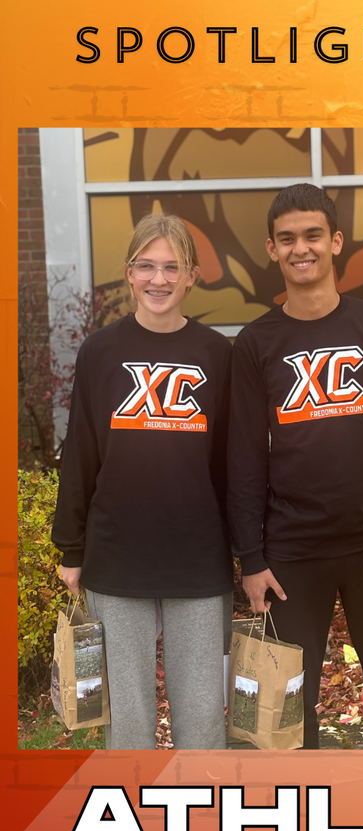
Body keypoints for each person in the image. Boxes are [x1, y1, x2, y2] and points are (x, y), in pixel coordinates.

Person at [228, 183, 363, 750]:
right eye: (286, 239)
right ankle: (307, 821)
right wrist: (252, 558)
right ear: (271, 248)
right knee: (289, 708)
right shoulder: (254, 343)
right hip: (291, 556)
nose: (300, 248)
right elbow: (243, 457)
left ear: (336, 241)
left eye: (313, 235)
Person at [51, 214, 233, 750]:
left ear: (192, 276)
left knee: (202, 718)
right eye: (147, 266)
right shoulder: (100, 352)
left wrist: (248, 550)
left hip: (198, 559)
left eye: (172, 267)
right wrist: (71, 547)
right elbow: (80, 452)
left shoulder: (217, 355)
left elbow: (232, 463)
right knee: (127, 722)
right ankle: (131, 820)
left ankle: (200, 822)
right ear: (129, 274)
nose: (160, 279)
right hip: (117, 557)